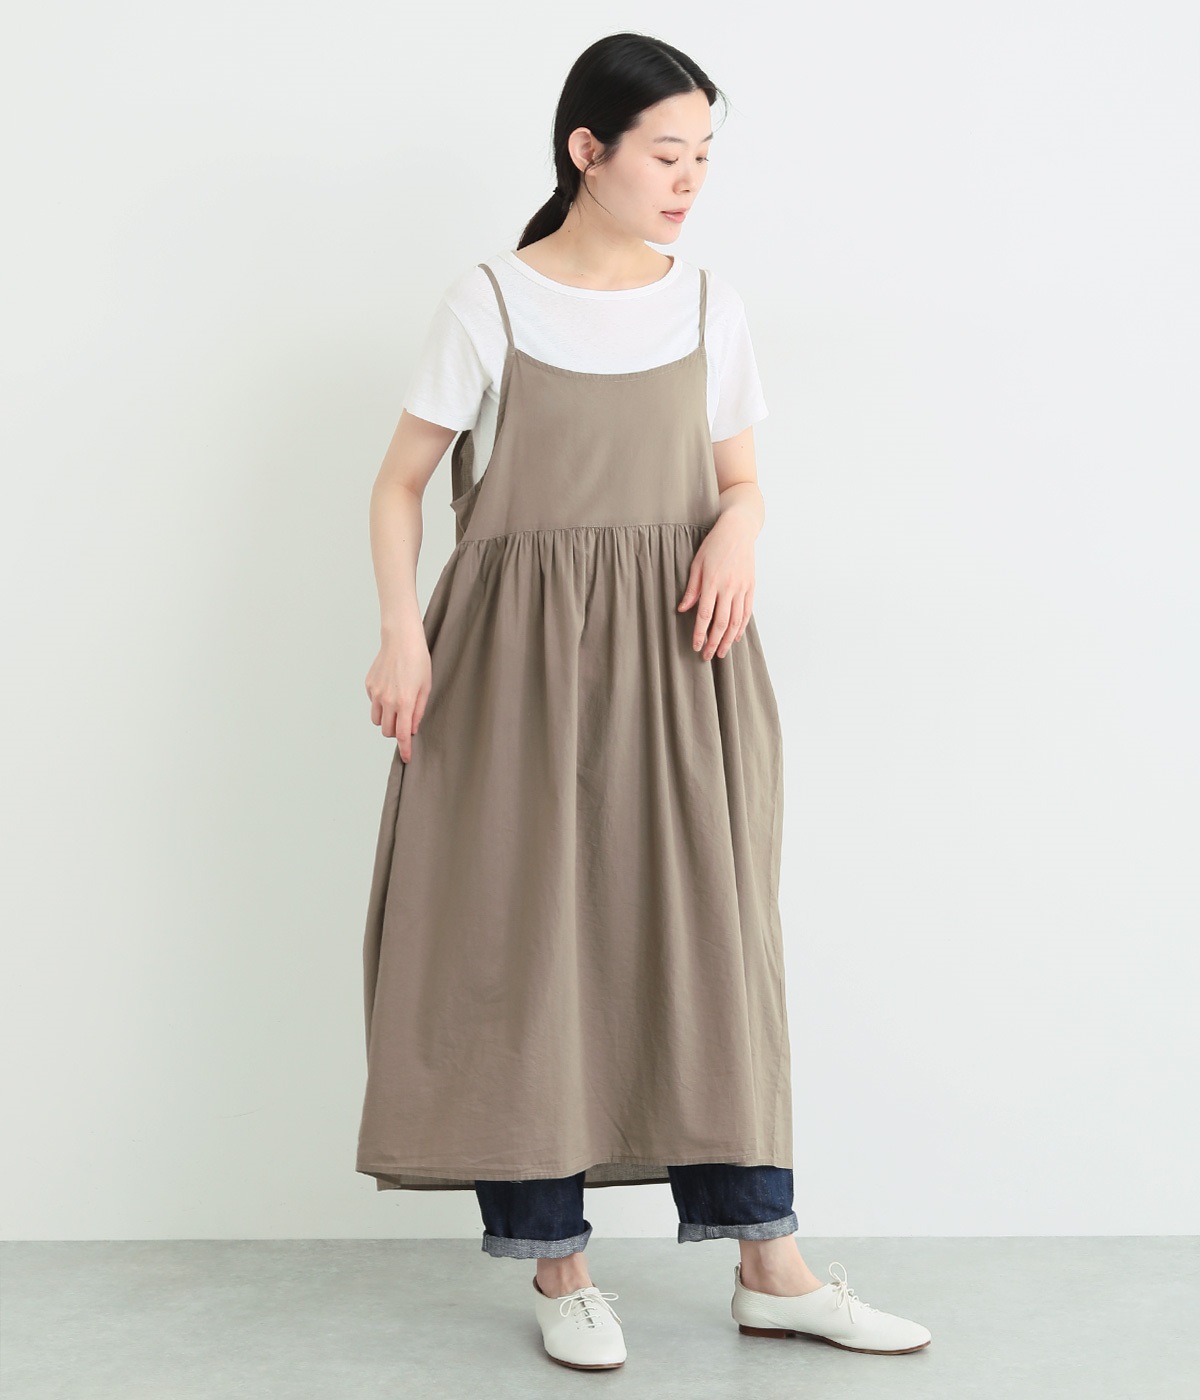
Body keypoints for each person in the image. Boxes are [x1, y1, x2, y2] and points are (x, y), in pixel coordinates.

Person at [356, 31, 931, 1371]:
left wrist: (740, 531)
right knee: (523, 948)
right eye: (668, 154)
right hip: (512, 672)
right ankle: (559, 1270)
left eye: (704, 158)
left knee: (710, 946)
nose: (689, 182)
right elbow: (398, 483)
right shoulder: (490, 303)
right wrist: (400, 633)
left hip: (682, 666)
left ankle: (770, 1266)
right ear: (588, 151)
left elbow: (742, 480)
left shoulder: (710, 305)